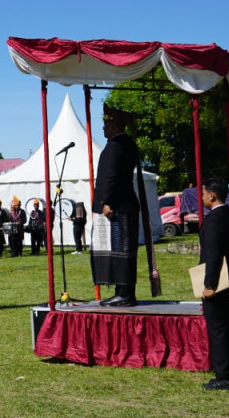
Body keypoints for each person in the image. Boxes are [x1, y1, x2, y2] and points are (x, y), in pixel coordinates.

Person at [91, 103, 141, 307]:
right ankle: (123, 291)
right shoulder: (124, 143)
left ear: (114, 126)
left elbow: (112, 177)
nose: (103, 128)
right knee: (122, 250)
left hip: (120, 206)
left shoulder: (116, 146)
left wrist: (106, 202)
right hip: (125, 204)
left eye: (106, 124)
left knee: (121, 250)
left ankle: (125, 293)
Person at [199, 176, 229, 391]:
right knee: (225, 329)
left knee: (218, 330)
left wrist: (209, 285)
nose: (201, 197)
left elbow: (213, 254)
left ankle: (225, 376)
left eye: (203, 193)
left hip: (219, 279)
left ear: (212, 195)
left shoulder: (214, 220)